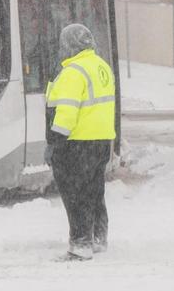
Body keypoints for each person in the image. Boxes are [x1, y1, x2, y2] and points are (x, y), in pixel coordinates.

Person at [46, 23, 116, 261]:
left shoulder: (73, 72)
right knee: (94, 192)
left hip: (76, 143)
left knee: (75, 195)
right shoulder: (101, 66)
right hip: (101, 141)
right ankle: (98, 237)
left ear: (69, 45)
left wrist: (54, 142)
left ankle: (80, 245)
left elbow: (66, 113)